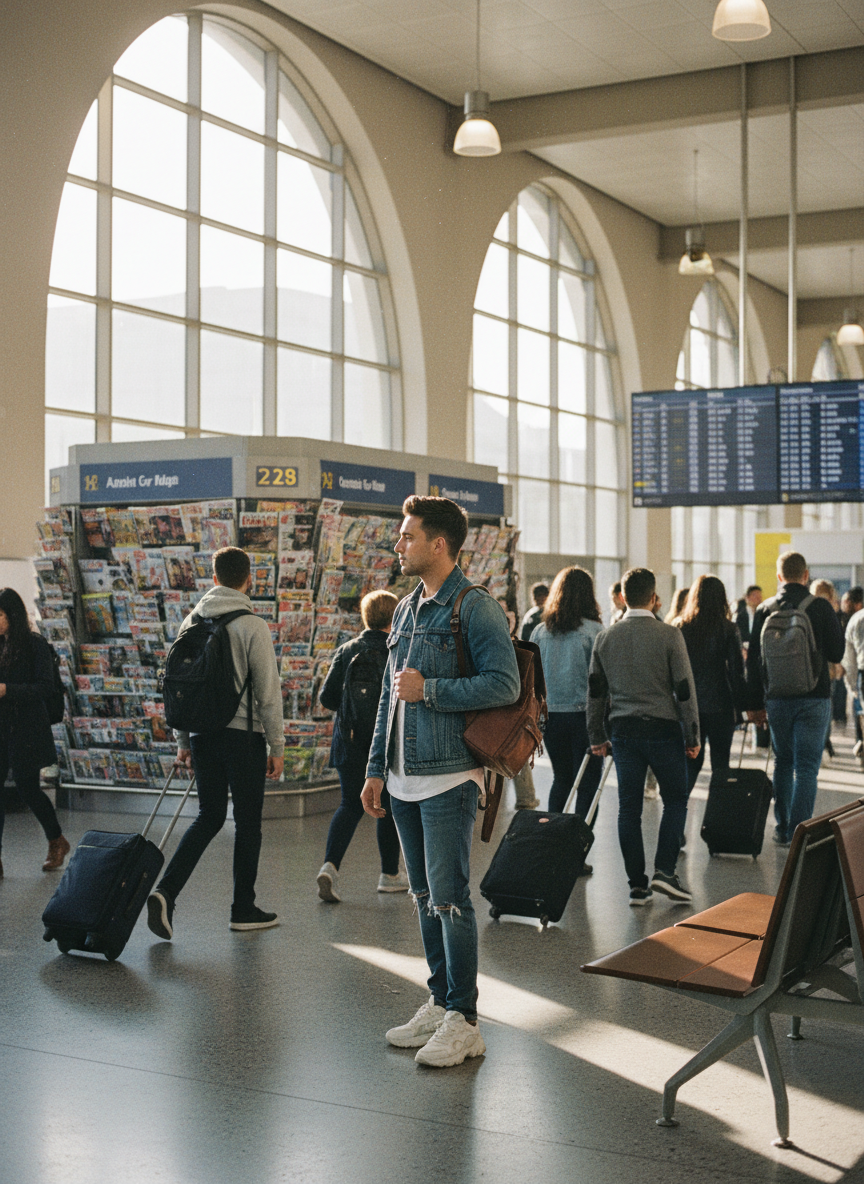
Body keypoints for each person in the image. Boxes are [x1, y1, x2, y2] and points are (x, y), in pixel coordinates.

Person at [361, 496, 520, 1068]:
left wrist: (430, 689)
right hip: (403, 775)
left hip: (450, 775)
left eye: (407, 537)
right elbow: (388, 694)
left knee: (451, 900)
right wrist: (376, 767)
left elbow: (503, 685)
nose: (398, 545)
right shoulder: (405, 609)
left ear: (440, 544)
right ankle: (440, 999)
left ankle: (465, 1018)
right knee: (424, 896)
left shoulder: (474, 607)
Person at [147, 546, 284, 939]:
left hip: (203, 735)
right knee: (248, 823)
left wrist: (183, 742)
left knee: (208, 817)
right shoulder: (252, 625)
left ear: (213, 578)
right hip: (243, 738)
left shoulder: (191, 621)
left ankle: (166, 891)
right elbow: (267, 692)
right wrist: (277, 745)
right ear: (248, 580)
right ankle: (243, 908)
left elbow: (179, 688)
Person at [587, 567, 699, 906]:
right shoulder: (669, 635)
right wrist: (692, 734)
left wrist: (596, 734)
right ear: (653, 597)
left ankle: (637, 885)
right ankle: (665, 871)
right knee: (676, 800)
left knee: (628, 809)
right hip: (664, 730)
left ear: (622, 597)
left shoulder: (605, 638)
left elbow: (595, 692)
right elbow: (684, 691)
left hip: (624, 732)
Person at [745, 551, 844, 847]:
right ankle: (801, 835)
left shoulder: (764, 609)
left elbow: (753, 663)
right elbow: (837, 654)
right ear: (806, 575)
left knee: (783, 762)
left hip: (777, 699)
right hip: (814, 697)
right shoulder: (820, 608)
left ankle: (782, 828)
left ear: (779, 576)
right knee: (808, 767)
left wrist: (754, 705)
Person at [316, 590, 407, 901]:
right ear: (395, 618)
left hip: (349, 742)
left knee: (349, 805)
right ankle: (389, 875)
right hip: (386, 746)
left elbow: (327, 699)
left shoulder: (346, 650)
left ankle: (329, 866)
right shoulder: (399, 650)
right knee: (387, 808)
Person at [0, 588, 70, 877]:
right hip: (2, 727)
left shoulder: (34, 645)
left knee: (28, 788)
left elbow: (46, 687)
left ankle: (56, 840)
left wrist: (8, 690)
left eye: (0, 615)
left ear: (13, 616)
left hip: (26, 728)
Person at [530, 567, 603, 834]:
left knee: (561, 779)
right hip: (585, 717)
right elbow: (600, 682)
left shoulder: (539, 631)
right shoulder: (595, 631)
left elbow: (533, 679)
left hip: (550, 718)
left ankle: (552, 842)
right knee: (587, 784)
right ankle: (576, 851)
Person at [675, 575, 745, 791]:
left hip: (687, 705)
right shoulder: (728, 629)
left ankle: (678, 812)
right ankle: (719, 818)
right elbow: (736, 672)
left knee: (690, 763)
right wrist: (743, 708)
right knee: (721, 766)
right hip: (721, 704)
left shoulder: (680, 627)